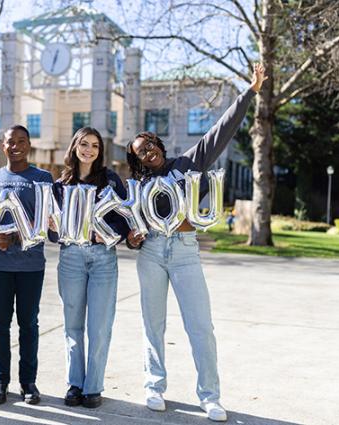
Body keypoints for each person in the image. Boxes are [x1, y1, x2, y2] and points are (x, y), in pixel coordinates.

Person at [125, 63, 266, 422]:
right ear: (136, 160)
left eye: (150, 146)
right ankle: (154, 387)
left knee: (200, 325)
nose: (147, 153)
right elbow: (129, 230)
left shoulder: (188, 164)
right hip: (152, 253)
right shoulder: (137, 188)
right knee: (152, 324)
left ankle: (210, 395)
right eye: (140, 152)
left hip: (186, 253)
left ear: (158, 145)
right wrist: (133, 238)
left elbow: (221, 132)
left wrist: (250, 92)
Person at [49, 127, 130, 408]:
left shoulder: (109, 181)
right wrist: (53, 228)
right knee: (72, 326)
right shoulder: (60, 186)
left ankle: (93, 387)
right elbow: (53, 233)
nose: (89, 150)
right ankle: (75, 384)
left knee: (99, 326)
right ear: (74, 147)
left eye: (95, 145)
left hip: (102, 259)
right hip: (71, 258)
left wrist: (107, 233)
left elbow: (125, 218)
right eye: (84, 144)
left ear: (100, 151)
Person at [0, 125, 53, 405]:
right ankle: (0, 380)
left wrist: (14, 236)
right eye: (11, 142)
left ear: (29, 145)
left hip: (31, 265)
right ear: (3, 146)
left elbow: (48, 223)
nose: (16, 146)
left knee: (29, 324)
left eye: (22, 141)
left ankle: (28, 382)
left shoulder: (43, 178)